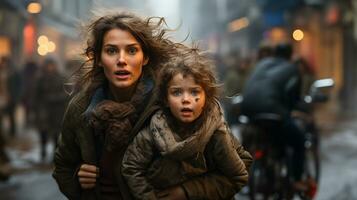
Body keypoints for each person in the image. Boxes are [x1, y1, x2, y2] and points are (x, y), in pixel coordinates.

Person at [53, 12, 252, 200]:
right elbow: (63, 166)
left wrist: (186, 191)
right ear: (98, 59)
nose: (121, 60)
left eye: (131, 50)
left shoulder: (174, 102)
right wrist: (77, 178)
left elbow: (240, 164)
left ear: (145, 57)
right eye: (111, 51)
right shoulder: (81, 108)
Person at [121, 49, 252, 200]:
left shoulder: (217, 132)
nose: (186, 99)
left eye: (195, 92)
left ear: (206, 97)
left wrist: (186, 191)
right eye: (176, 92)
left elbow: (239, 174)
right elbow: (131, 167)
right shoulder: (154, 130)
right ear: (165, 99)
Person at [241, 43, 306, 190]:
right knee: (299, 140)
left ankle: (266, 169)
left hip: (247, 108)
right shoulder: (292, 69)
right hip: (272, 111)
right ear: (290, 55)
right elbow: (293, 99)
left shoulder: (261, 64)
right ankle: (296, 180)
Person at [34, 57, 67, 162]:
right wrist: (36, 108)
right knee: (43, 131)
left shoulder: (61, 78)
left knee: (56, 134)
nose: (50, 68)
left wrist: (55, 98)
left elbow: (66, 93)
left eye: (52, 65)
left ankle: (55, 153)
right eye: (48, 65)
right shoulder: (40, 78)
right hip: (44, 109)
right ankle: (43, 150)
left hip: (57, 110)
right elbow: (36, 94)